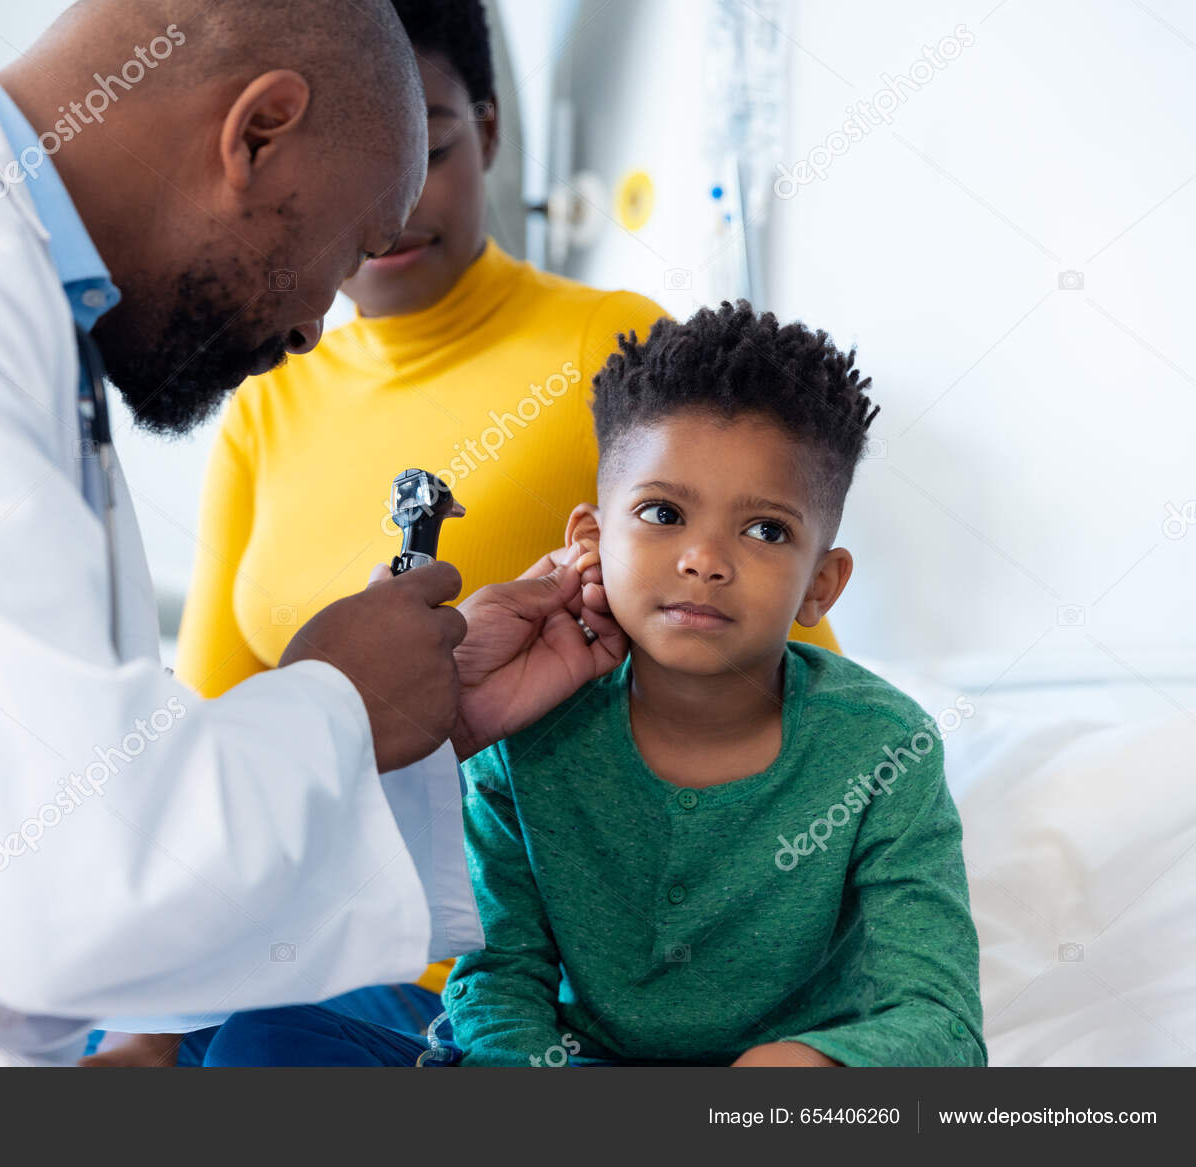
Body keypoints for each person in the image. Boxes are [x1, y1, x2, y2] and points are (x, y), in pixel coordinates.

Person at [0, 0, 624, 1066]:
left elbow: (81, 810)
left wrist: (418, 724)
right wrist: (343, 704)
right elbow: (45, 875)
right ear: (258, 134)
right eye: (345, 245)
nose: (316, 323)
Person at [105, 0, 836, 1067]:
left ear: (487, 132)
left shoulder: (612, 352)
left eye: (429, 151)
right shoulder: (267, 400)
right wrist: (140, 1037)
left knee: (265, 1052)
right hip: (294, 939)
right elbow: (221, 732)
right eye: (340, 165)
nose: (389, 207)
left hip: (511, 966)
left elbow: (781, 657)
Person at [200, 302, 985, 1067]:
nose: (705, 559)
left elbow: (941, 1021)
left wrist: (807, 1064)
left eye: (765, 530)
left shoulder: (884, 748)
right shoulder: (528, 731)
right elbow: (500, 980)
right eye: (662, 511)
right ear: (591, 541)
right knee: (263, 1039)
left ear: (822, 583)